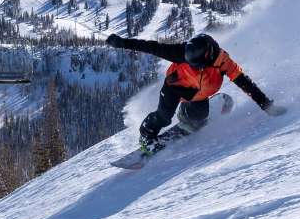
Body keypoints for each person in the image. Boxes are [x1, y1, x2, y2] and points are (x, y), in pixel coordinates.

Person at [106, 32, 285, 152]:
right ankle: (147, 137)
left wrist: (267, 106)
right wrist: (122, 43)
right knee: (164, 116)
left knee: (199, 117)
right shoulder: (180, 52)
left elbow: (246, 84)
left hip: (197, 95)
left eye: (197, 65)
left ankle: (185, 114)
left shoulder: (224, 62)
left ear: (208, 56)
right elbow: (151, 47)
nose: (194, 67)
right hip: (174, 88)